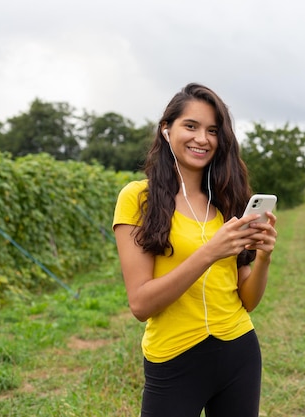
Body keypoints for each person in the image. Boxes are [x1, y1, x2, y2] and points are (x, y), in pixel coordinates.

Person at [112, 83, 277, 417]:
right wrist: (209, 252)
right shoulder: (137, 198)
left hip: (239, 352)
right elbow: (141, 304)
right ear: (166, 129)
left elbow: (248, 301)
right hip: (173, 358)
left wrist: (263, 257)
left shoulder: (228, 200)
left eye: (213, 130)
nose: (202, 139)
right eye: (191, 126)